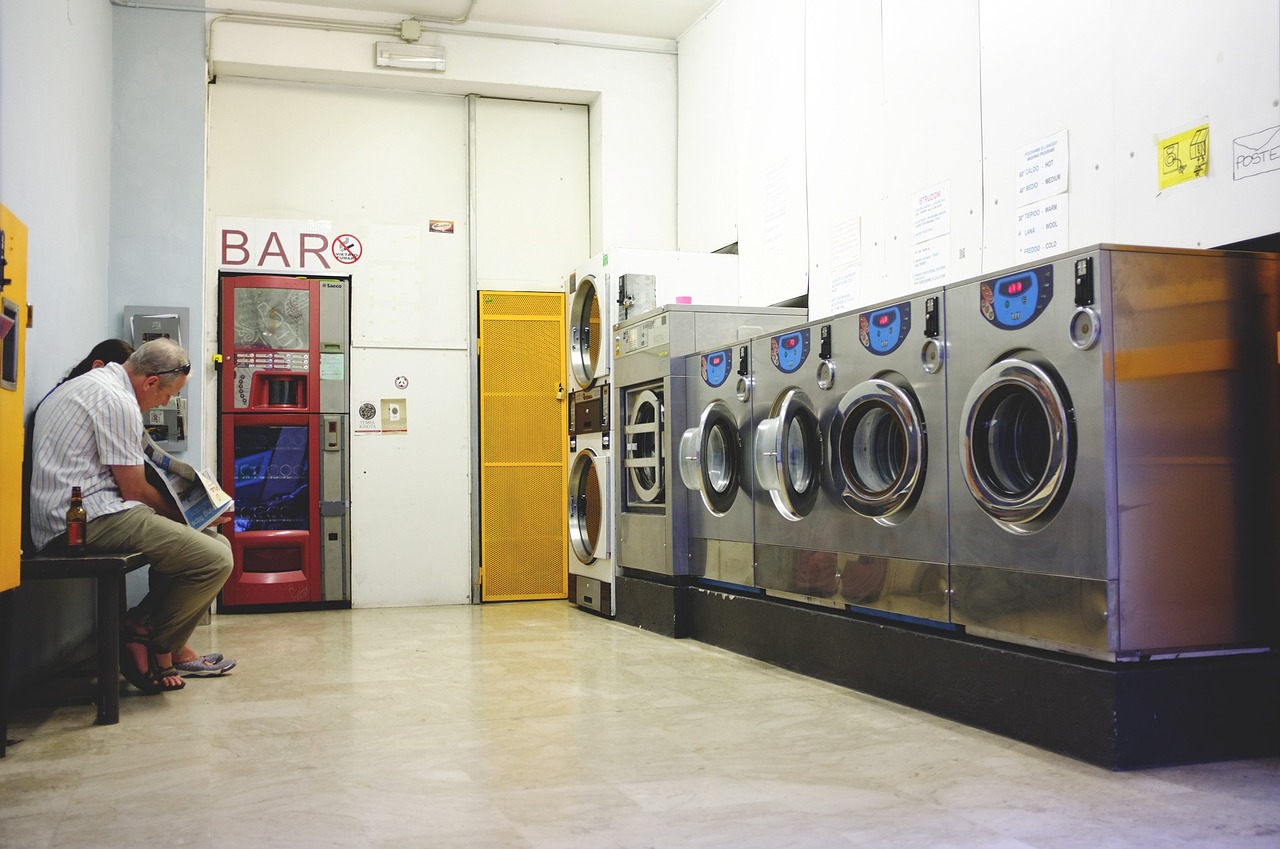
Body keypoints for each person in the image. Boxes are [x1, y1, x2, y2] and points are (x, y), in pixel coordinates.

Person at [29, 338, 235, 693]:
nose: (165, 403)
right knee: (216, 558)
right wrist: (193, 517)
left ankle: (141, 624)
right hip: (82, 521)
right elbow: (135, 491)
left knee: (207, 541)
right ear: (151, 381)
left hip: (70, 513)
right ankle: (152, 643)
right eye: (167, 395)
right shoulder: (117, 401)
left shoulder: (89, 385)